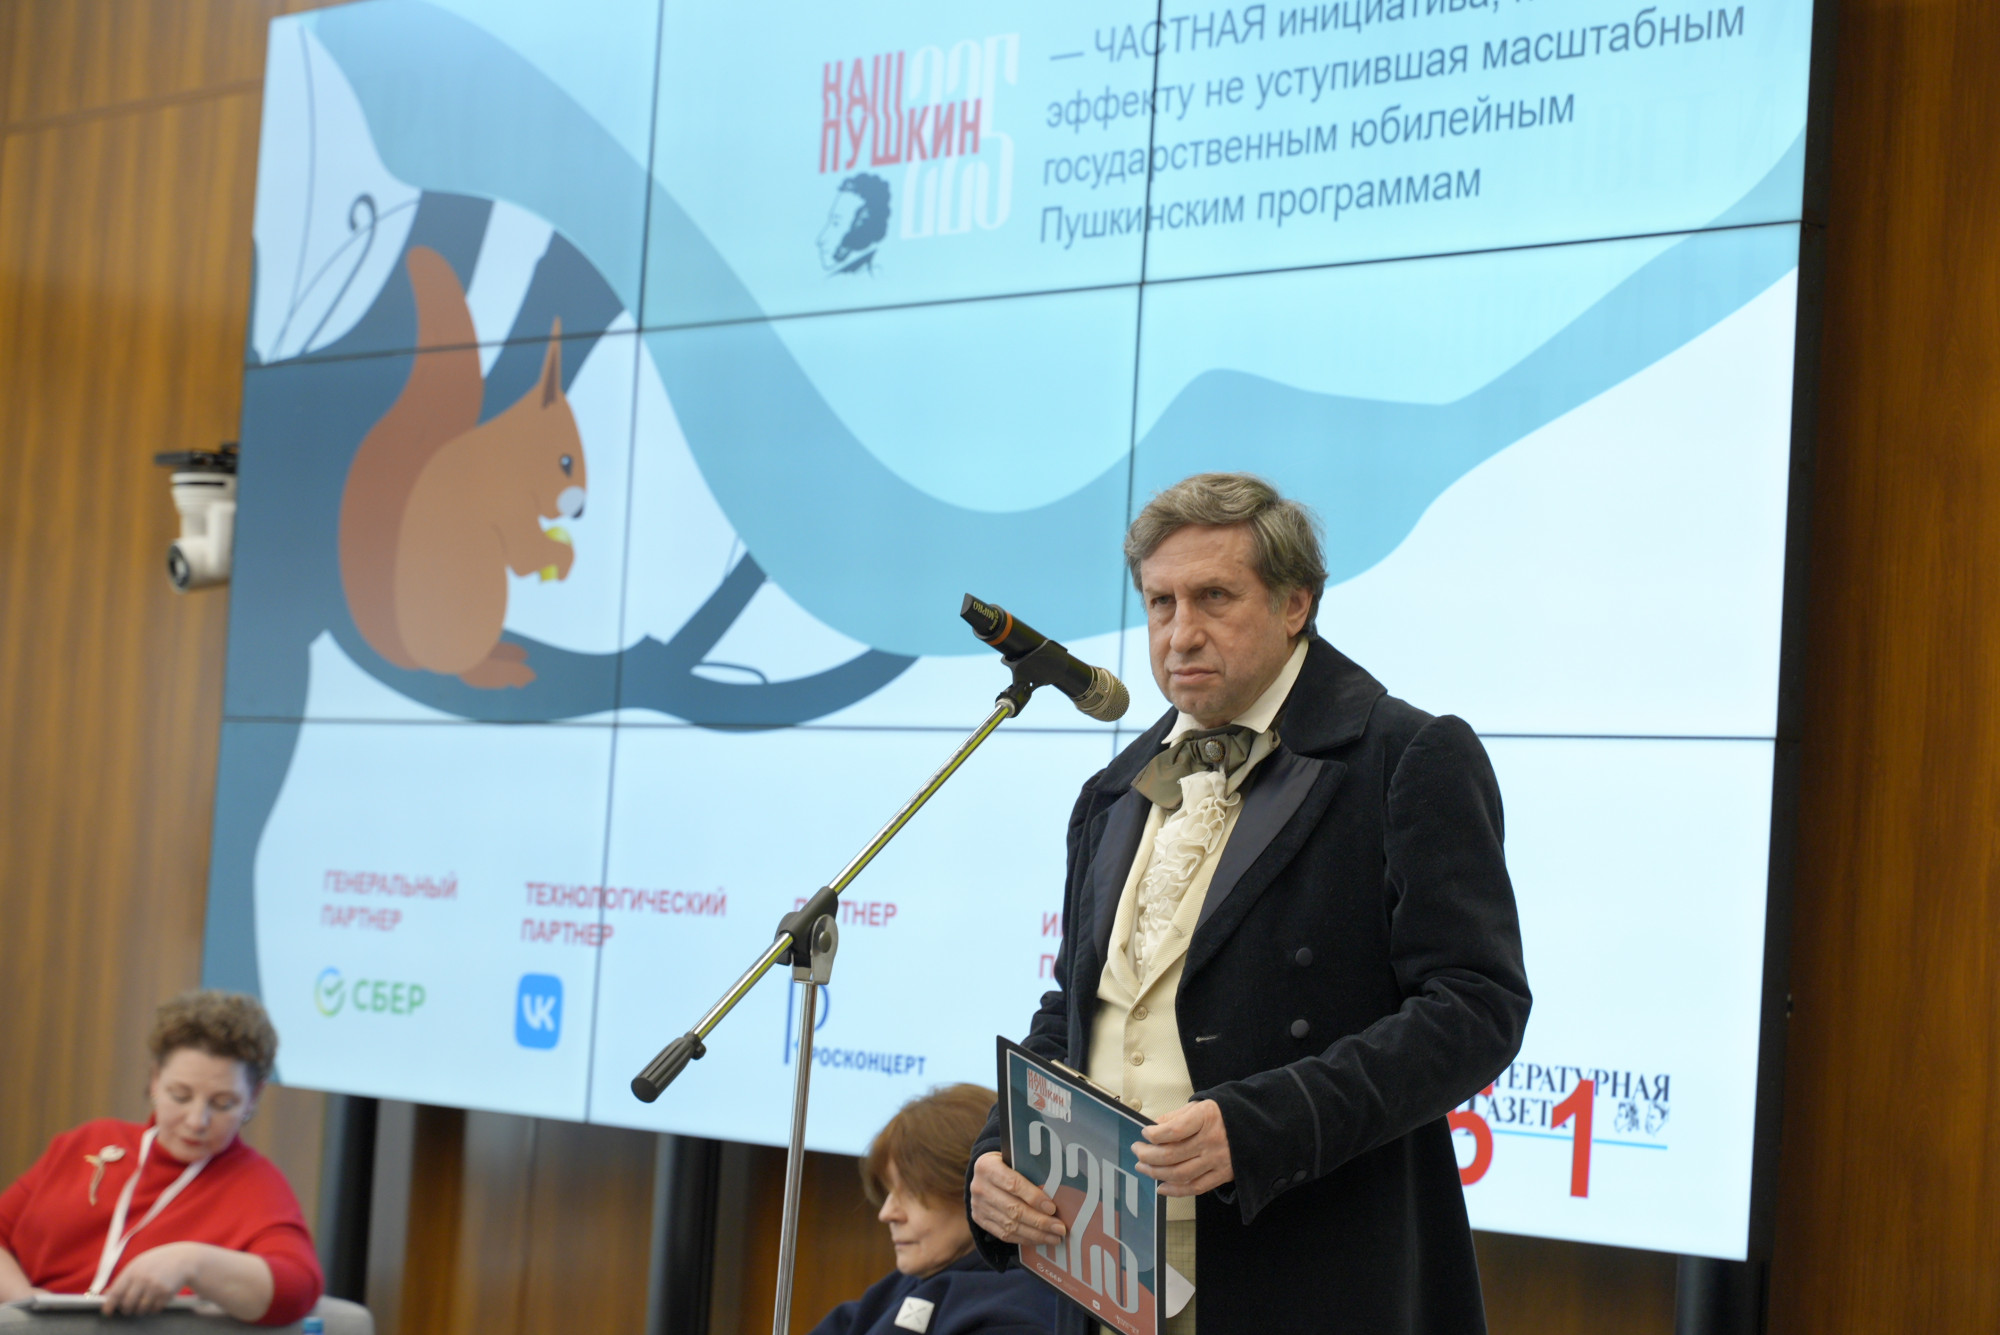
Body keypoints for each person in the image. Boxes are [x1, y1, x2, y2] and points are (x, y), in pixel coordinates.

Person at [966, 473, 1532, 1334]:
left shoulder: (1405, 755)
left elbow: (1475, 1006)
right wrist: (1001, 1148)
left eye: (1215, 597)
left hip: (1308, 1271)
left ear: (1296, 602)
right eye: (1160, 603)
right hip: (1105, 1275)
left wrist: (1262, 1125)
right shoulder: (1111, 791)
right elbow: (1080, 1009)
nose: (1180, 632)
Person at [0, 991, 323, 1324]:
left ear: (253, 1097)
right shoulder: (88, 1143)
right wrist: (28, 1309)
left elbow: (299, 1287)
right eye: (180, 1096)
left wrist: (191, 1262)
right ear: (155, 1080)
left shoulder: (256, 1185)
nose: (197, 1121)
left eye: (223, 1103)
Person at [812, 1084, 1058, 1335]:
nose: (887, 1214)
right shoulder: (905, 1283)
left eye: (912, 1193)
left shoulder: (1013, 1317)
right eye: (889, 1191)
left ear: (982, 1188)